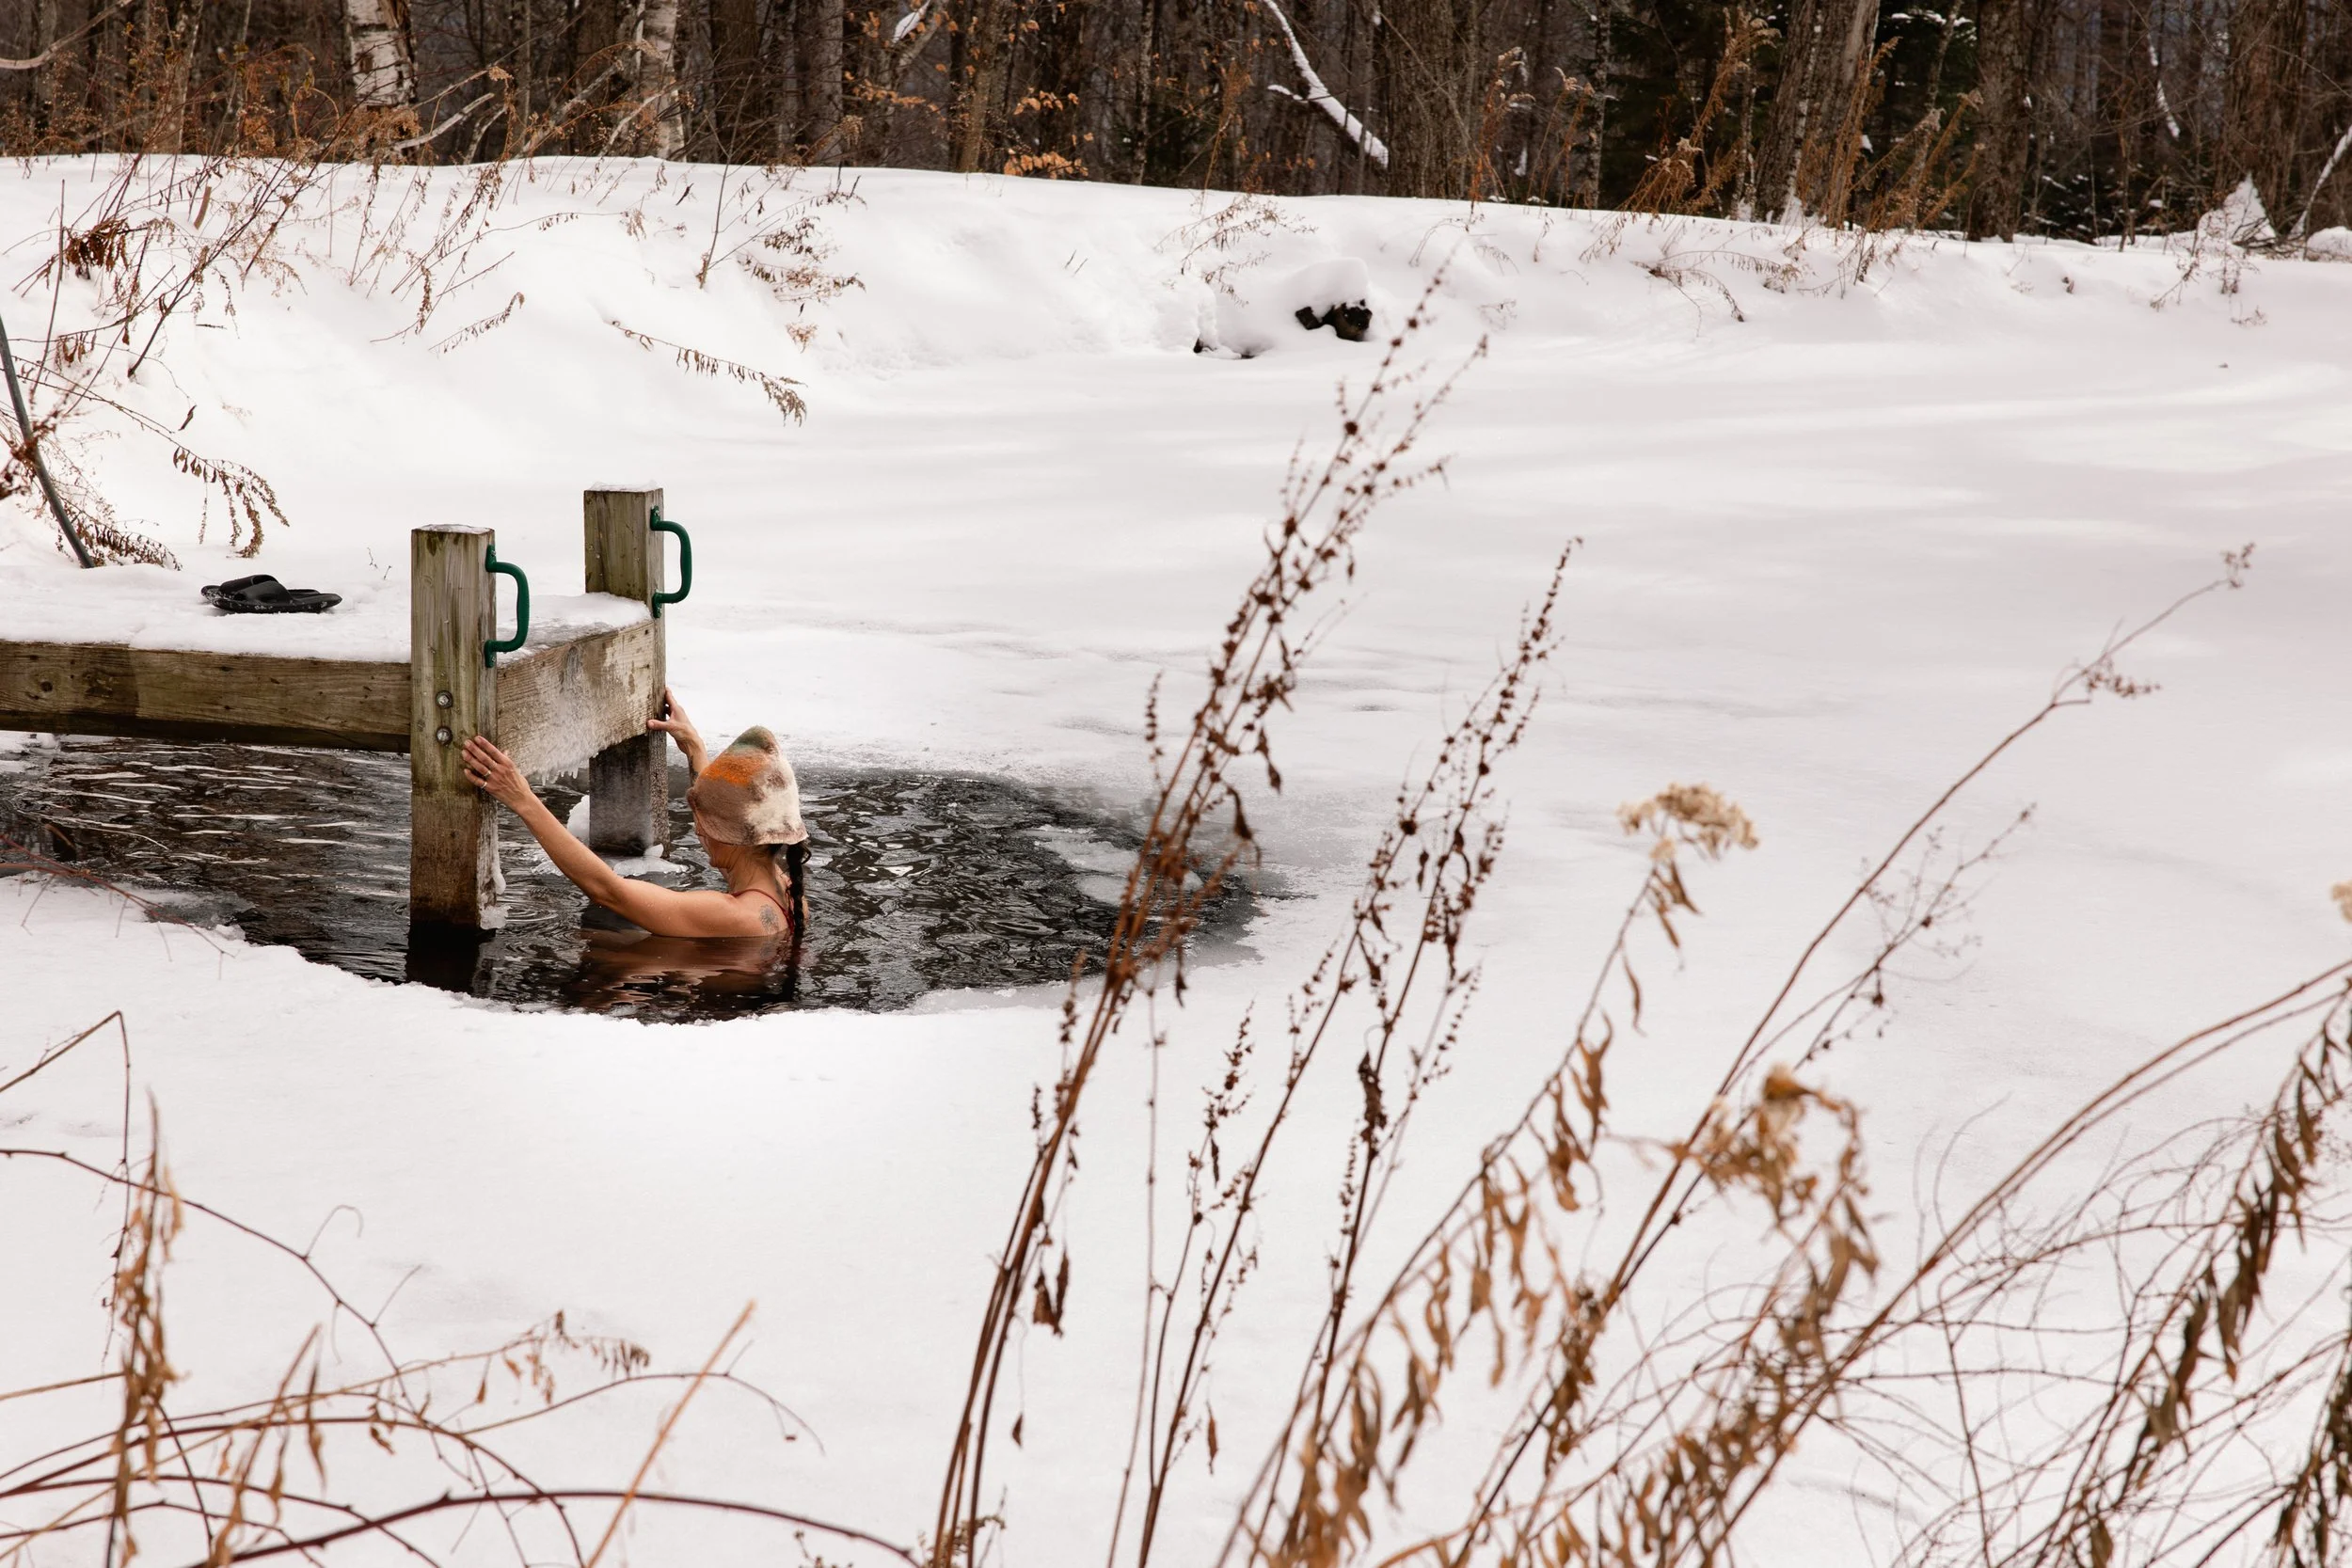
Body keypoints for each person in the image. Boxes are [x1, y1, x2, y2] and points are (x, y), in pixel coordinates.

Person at [459, 687, 810, 941]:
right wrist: (694, 749)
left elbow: (608, 890)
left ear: (736, 839)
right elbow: (736, 821)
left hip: (700, 1019)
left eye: (706, 823)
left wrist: (523, 799)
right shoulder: (787, 889)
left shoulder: (733, 915)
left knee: (608, 948)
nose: (699, 830)